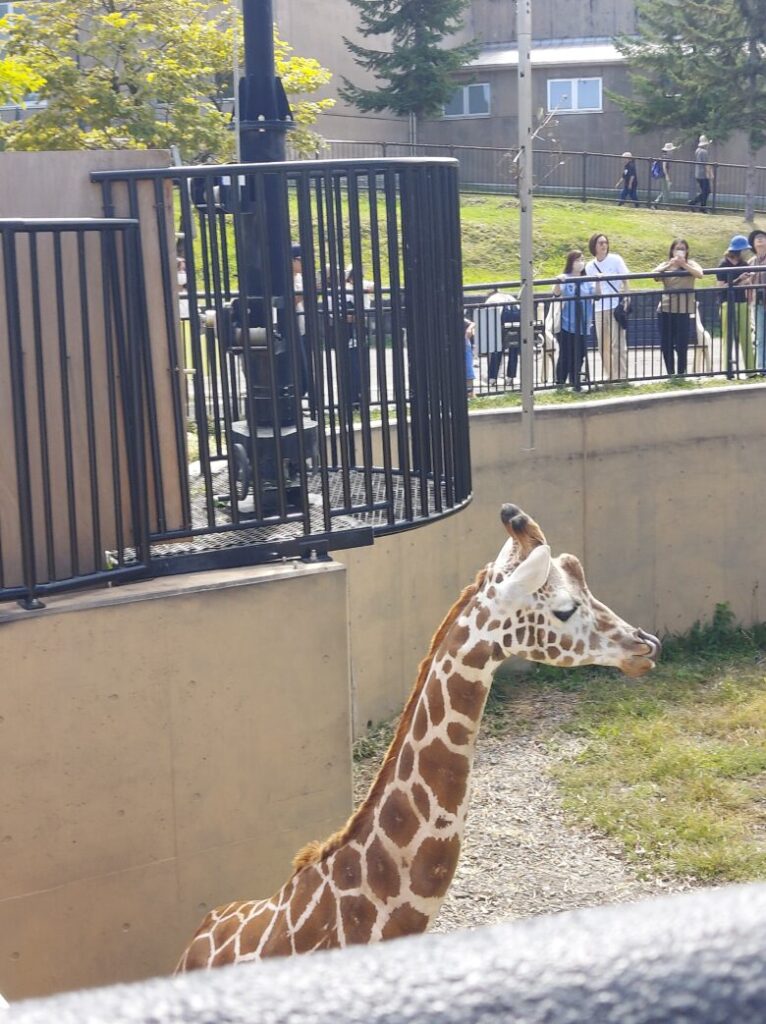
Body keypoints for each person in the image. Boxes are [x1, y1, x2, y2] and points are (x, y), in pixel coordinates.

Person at [652, 238, 703, 376]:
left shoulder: (691, 264)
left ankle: (681, 373)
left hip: (683, 310)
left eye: (683, 249)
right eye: (677, 248)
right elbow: (654, 275)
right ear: (672, 251)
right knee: (666, 344)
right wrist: (669, 264)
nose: (680, 251)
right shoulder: (667, 264)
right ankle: (670, 373)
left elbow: (700, 274)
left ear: (686, 251)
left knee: (682, 345)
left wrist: (684, 265)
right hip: (665, 310)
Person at [585, 233, 631, 382]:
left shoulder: (616, 259)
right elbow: (593, 291)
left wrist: (627, 296)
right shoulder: (590, 266)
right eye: (600, 243)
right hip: (599, 308)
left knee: (618, 343)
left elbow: (626, 278)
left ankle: (621, 376)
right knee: (603, 345)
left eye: (605, 242)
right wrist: (598, 281)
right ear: (594, 246)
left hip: (614, 305)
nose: (604, 245)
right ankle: (610, 375)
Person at [552, 249, 596, 389]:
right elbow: (556, 293)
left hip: (583, 324)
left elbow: (596, 295)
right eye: (577, 260)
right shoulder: (566, 277)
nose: (580, 263)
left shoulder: (587, 280)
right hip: (566, 323)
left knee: (580, 354)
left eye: (582, 259)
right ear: (571, 262)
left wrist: (599, 281)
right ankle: (560, 382)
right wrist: (558, 281)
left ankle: (575, 381)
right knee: (566, 353)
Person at [716, 234, 753, 374]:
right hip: (726, 303)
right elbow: (720, 287)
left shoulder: (745, 264)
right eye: (743, 250)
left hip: (742, 302)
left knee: (746, 336)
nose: (745, 252)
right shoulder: (723, 264)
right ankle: (728, 370)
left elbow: (748, 283)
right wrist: (738, 280)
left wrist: (746, 281)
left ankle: (750, 370)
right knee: (728, 337)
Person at [485, 290, 521, 385]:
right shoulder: (509, 296)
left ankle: (492, 378)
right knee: (513, 349)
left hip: (502, 318)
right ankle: (510, 377)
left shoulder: (491, 299)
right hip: (516, 317)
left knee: (497, 349)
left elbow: (486, 315)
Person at [747, 228, 766, 372]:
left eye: (762, 237)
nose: (759, 239)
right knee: (759, 336)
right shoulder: (750, 262)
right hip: (758, 302)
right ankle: (761, 368)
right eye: (756, 238)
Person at [688, 134, 714, 213]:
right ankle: (693, 203)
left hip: (698, 174)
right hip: (703, 175)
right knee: (706, 191)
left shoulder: (697, 150)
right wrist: (710, 174)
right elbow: (706, 164)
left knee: (705, 191)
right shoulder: (704, 152)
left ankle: (702, 207)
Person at [651, 143, 676, 207]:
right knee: (665, 191)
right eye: (671, 150)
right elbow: (664, 167)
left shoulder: (665, 156)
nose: (672, 151)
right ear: (668, 151)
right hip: (664, 176)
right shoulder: (665, 157)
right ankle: (665, 205)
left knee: (665, 190)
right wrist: (667, 176)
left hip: (664, 175)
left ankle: (656, 203)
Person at [464, 317, 476, 397]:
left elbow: (472, 323)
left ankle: (470, 393)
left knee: (468, 370)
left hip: (464, 344)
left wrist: (469, 329)